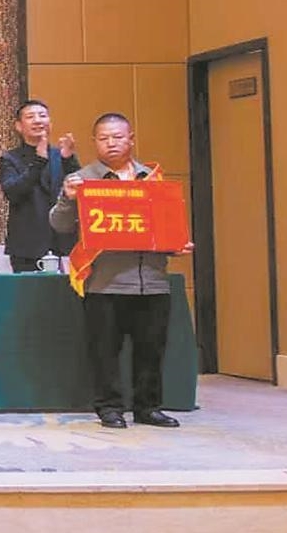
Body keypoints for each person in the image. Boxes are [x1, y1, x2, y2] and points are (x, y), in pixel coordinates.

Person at [50, 113, 186, 429]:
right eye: (104, 138)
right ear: (95, 142)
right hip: (105, 282)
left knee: (151, 350)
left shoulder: (151, 179)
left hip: (152, 280)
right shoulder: (82, 180)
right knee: (105, 352)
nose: (111, 143)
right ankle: (109, 408)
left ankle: (148, 407)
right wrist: (68, 199)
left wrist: (177, 244)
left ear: (131, 139)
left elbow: (164, 227)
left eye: (118, 137)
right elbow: (59, 224)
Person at [0, 99, 79, 273]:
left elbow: (79, 191)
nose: (37, 120)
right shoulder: (10, 158)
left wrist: (69, 160)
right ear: (19, 126)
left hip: (63, 243)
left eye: (42, 116)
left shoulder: (61, 155)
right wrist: (39, 162)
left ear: (50, 123)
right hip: (27, 247)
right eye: (30, 117)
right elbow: (13, 192)